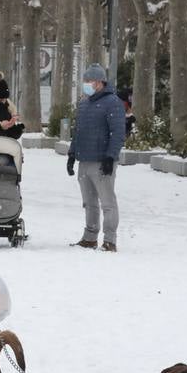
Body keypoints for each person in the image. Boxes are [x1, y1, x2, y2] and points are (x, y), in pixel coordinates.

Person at [66, 63, 127, 252]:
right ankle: (90, 237)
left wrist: (110, 157)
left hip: (102, 161)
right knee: (89, 202)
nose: (86, 84)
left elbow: (117, 133)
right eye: (85, 81)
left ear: (100, 82)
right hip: (84, 160)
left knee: (107, 202)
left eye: (89, 81)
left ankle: (110, 240)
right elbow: (78, 132)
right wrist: (71, 154)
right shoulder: (84, 103)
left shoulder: (113, 102)